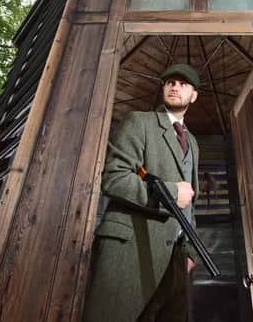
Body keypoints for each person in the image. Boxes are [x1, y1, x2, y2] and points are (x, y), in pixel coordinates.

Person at [84, 63, 201, 322]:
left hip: (177, 257)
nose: (174, 86)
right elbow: (114, 178)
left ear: (193, 95)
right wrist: (170, 194)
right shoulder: (140, 122)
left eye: (183, 83)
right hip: (133, 249)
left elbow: (191, 201)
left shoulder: (192, 142)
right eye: (170, 82)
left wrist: (190, 253)